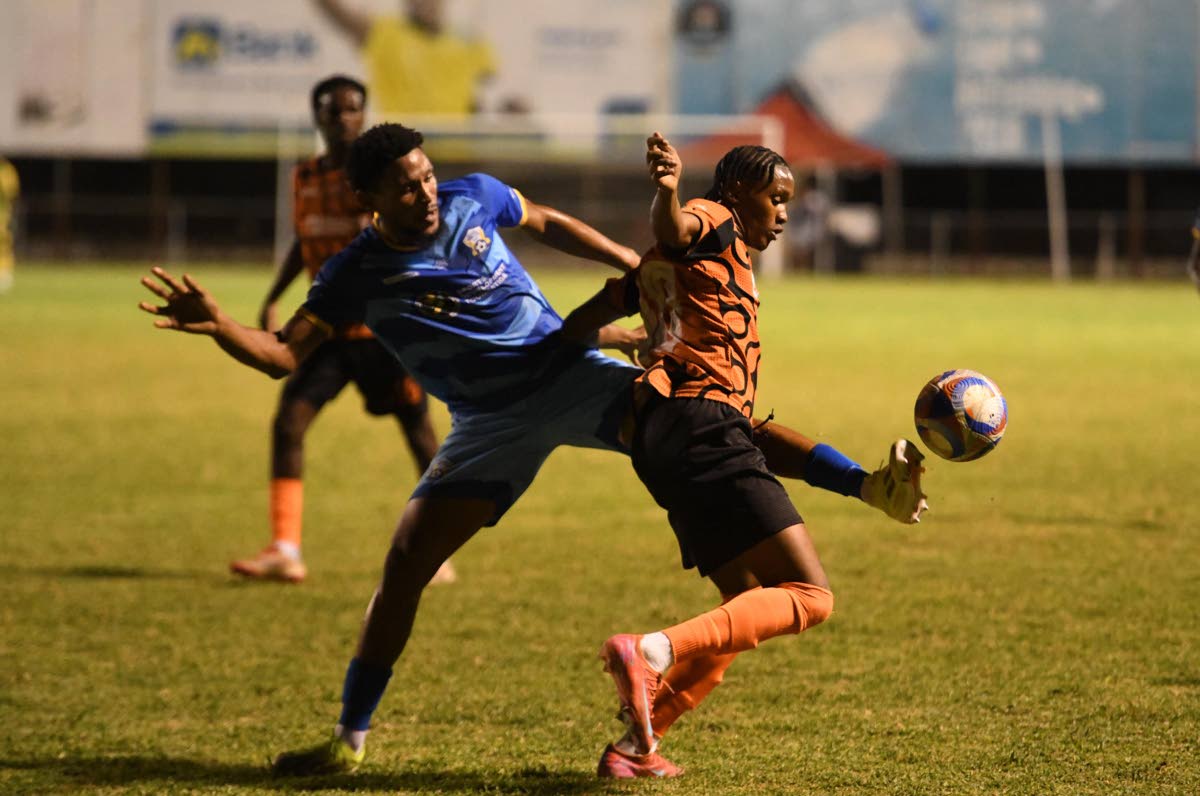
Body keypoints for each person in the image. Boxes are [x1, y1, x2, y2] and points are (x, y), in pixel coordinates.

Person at [137, 123, 927, 777]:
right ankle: (348, 741)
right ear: (366, 198)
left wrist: (634, 269)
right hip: (485, 421)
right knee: (405, 567)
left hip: (565, 371)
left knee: (712, 423)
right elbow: (283, 353)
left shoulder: (471, 197)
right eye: (405, 185)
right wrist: (221, 327)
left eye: (426, 175)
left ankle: (638, 738)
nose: (424, 192)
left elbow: (548, 222)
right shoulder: (355, 272)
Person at [562, 133, 926, 778]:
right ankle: (653, 652)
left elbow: (580, 324)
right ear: (737, 193)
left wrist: (863, 485)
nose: (783, 211)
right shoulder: (717, 222)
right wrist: (670, 190)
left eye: (788, 200)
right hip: (701, 423)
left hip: (664, 436)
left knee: (742, 607)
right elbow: (678, 227)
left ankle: (634, 749)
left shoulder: (671, 277)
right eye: (775, 197)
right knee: (810, 597)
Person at [228, 76, 450, 585]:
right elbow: (305, 239)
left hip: (381, 334)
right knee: (289, 424)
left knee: (420, 432)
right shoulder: (304, 176)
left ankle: (435, 544)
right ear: (318, 118)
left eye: (353, 110)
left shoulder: (380, 180)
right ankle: (285, 548)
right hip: (325, 332)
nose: (344, 119)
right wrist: (273, 295)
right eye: (333, 111)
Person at [314, 0, 496, 116]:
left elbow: (484, 98)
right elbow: (339, 14)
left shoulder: (468, 41)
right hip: (401, 152)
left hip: (456, 153)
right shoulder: (384, 32)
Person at [0, 156, 19, 293]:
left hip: (2, 214)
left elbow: (11, 192)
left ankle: (4, 273)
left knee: (3, 244)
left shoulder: (6, 170)